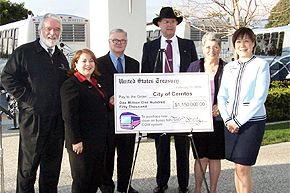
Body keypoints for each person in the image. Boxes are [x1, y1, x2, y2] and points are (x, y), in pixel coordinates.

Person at [1, 13, 69, 192]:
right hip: (33, 120)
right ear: (40, 31)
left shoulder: (61, 57)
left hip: (56, 122)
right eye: (48, 28)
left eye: (56, 29)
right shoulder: (25, 52)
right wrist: (29, 99)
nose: (52, 33)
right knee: (28, 169)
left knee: (51, 170)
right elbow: (7, 77)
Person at [141, 7, 198, 193]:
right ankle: (162, 182)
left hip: (182, 103)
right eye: (165, 21)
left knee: (183, 146)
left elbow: (196, 73)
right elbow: (146, 75)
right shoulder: (149, 47)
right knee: (162, 145)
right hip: (160, 103)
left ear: (176, 24)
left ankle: (183, 184)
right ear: (159, 24)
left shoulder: (188, 45)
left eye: (172, 21)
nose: (169, 24)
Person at [217, 27, 270, 193]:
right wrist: (227, 119)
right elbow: (221, 96)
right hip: (230, 124)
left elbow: (259, 98)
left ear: (253, 43)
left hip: (251, 123)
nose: (243, 45)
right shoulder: (229, 67)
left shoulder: (261, 65)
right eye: (239, 41)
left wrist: (238, 121)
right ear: (234, 45)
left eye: (247, 40)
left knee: (243, 167)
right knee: (237, 166)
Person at [60, 49, 111, 192]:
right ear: (75, 64)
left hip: (97, 141)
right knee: (82, 181)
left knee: (94, 179)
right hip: (81, 143)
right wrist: (75, 140)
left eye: (91, 60)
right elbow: (69, 116)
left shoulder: (95, 82)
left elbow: (98, 105)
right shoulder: (71, 84)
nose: (88, 64)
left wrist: (109, 102)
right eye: (84, 61)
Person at [97, 28, 140, 193]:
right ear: (109, 42)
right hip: (107, 117)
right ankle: (107, 186)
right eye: (115, 40)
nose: (119, 43)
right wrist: (107, 99)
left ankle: (125, 186)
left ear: (126, 43)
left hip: (128, 117)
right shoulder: (99, 63)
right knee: (107, 155)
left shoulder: (134, 64)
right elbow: (95, 89)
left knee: (126, 154)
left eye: (122, 41)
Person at [187, 32, 226, 193]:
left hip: (218, 120)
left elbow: (231, 93)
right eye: (208, 47)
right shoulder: (194, 66)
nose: (212, 50)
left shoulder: (227, 68)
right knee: (200, 157)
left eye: (216, 47)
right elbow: (186, 89)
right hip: (199, 120)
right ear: (203, 48)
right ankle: (197, 190)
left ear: (220, 48)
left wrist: (221, 106)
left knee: (215, 157)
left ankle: (213, 190)